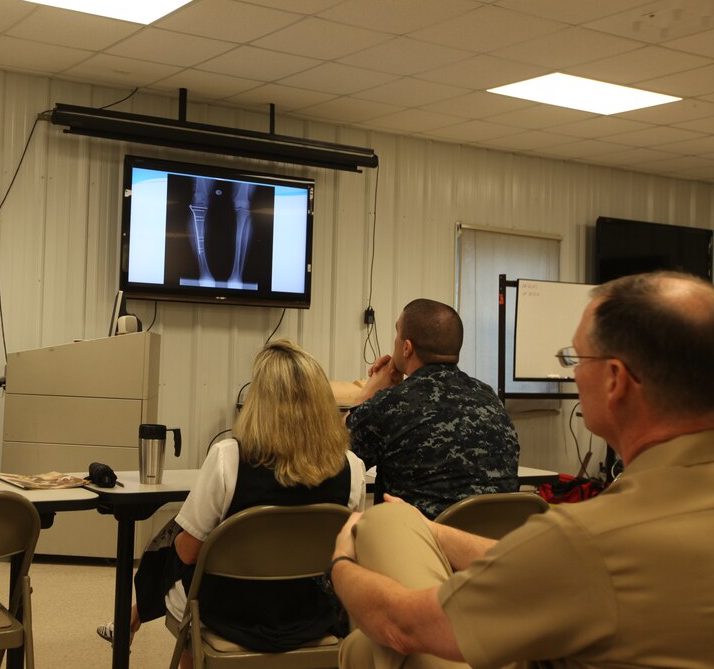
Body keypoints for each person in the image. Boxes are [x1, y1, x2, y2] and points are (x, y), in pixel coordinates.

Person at [329, 271, 714, 668]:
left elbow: (334, 459)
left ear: (615, 380)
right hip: (498, 556)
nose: (574, 373)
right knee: (364, 649)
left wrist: (342, 564)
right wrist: (432, 531)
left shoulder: (588, 536)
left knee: (382, 526)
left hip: (459, 610)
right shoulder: (490, 400)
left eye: (575, 358)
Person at [98, 340, 368, 667]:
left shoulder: (229, 458)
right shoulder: (352, 468)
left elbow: (188, 551)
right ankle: (131, 620)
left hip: (228, 615)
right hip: (311, 612)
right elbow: (349, 552)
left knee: (173, 548)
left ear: (258, 402)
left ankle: (134, 620)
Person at [345, 299, 518, 518]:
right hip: (492, 545)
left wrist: (368, 393)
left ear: (407, 347)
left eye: (397, 335)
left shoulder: (391, 404)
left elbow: (338, 457)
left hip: (418, 545)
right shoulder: (490, 399)